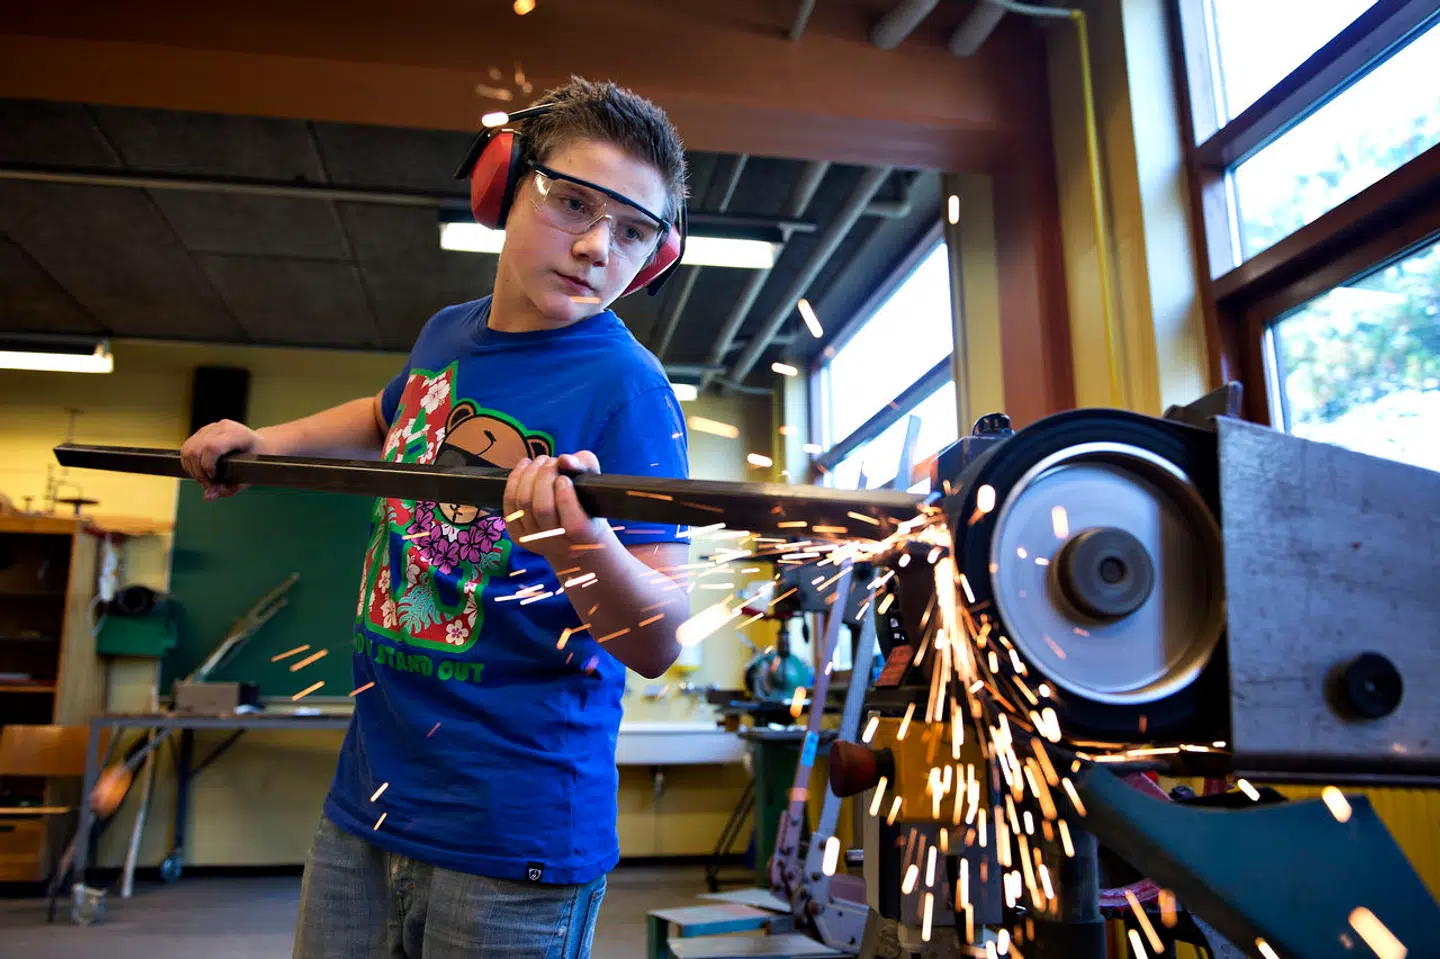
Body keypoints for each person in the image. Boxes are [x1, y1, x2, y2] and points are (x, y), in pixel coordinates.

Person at [179, 76, 693, 958]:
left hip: (513, 832)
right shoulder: (448, 334)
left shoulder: (629, 389)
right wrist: (266, 442)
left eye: (633, 231)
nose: (597, 246)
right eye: (573, 202)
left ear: (654, 256)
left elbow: (659, 637)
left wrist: (578, 545)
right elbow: (386, 415)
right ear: (502, 184)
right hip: (368, 802)